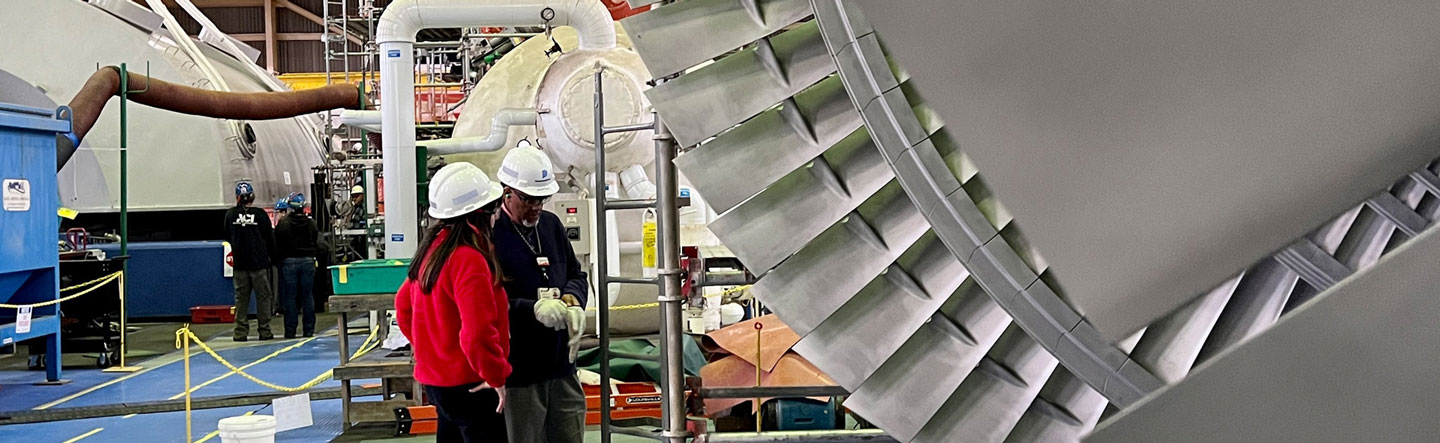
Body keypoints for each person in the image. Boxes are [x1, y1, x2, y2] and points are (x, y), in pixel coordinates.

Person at [396, 162, 511, 443]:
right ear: (478, 214)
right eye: (493, 208)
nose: (497, 215)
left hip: (438, 384)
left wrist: (434, 351)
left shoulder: (432, 251)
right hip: (471, 384)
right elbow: (477, 332)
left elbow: (403, 306)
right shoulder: (469, 259)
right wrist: (495, 375)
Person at [492, 145, 589, 443]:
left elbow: (576, 274)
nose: (536, 207)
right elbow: (485, 302)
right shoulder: (490, 234)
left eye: (542, 199)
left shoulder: (550, 225)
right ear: (507, 192)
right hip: (520, 371)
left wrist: (573, 300)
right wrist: (531, 309)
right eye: (529, 199)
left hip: (561, 365)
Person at [224, 181, 275, 342]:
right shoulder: (260, 214)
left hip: (240, 265)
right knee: (263, 298)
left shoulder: (230, 215)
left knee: (241, 299)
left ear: (237, 197)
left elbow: (227, 235)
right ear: (252, 197)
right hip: (259, 264)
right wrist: (271, 258)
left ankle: (240, 332)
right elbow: (269, 238)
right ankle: (264, 331)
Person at [275, 192, 321, 338]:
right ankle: (308, 330)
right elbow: (316, 241)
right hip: (307, 262)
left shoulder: (283, 224)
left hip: (289, 263)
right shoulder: (311, 223)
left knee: (290, 297)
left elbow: (277, 243)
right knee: (307, 296)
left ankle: (290, 331)